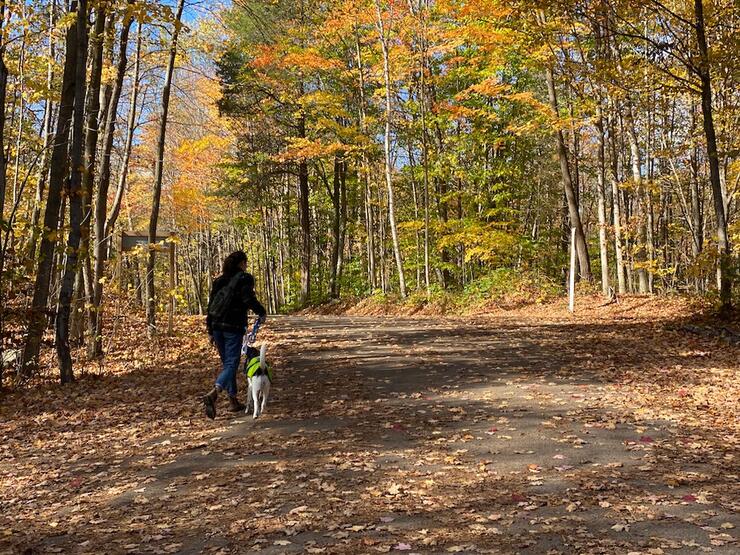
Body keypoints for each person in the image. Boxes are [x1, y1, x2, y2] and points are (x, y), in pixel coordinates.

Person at [202, 250, 266, 419]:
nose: (246, 266)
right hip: (233, 326)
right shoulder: (244, 279)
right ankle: (214, 392)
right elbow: (248, 299)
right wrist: (261, 311)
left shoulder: (219, 281)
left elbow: (211, 307)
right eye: (245, 262)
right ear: (241, 263)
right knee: (232, 363)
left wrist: (210, 330)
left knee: (227, 364)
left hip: (216, 327)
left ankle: (233, 401)